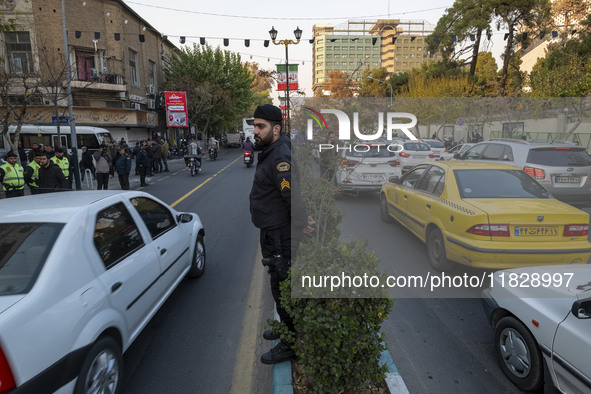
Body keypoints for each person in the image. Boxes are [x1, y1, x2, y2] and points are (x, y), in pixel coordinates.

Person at [249, 104, 315, 365]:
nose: (255, 130)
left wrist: (301, 222)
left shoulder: (278, 157)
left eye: (260, 126)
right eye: (254, 125)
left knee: (283, 288)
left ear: (275, 129)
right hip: (273, 231)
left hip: (280, 235)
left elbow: (290, 194)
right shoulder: (273, 149)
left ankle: (290, 344)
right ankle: (284, 329)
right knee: (278, 286)